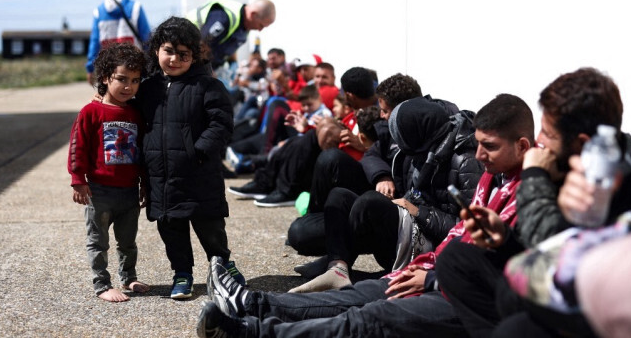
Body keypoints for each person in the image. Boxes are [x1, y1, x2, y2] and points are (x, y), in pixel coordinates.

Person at [195, 93, 534, 338]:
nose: (479, 154)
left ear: (522, 146)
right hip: (438, 267)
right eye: (478, 144)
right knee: (360, 291)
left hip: (465, 293)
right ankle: (252, 304)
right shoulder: (491, 175)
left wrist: (431, 272)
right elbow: (462, 234)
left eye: (488, 146)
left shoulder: (523, 189)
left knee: (371, 317)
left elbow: (514, 271)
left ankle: (249, 331)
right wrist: (383, 180)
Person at [435, 67, 631, 338]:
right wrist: (503, 237)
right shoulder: (570, 165)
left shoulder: (617, 182)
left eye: (548, 134)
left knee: (514, 328)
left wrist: (533, 175)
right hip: (555, 282)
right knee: (456, 259)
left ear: (581, 143)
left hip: (591, 304)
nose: (539, 141)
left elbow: (551, 246)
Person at [289, 95, 483, 293]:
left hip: (425, 240)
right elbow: (377, 157)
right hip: (405, 221)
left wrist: (416, 210)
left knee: (368, 203)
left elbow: (468, 228)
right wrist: (385, 180)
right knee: (339, 197)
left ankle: (344, 257)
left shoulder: (465, 162)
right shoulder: (421, 149)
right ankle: (337, 267)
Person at [288, 73, 458, 270]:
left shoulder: (435, 131)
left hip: (399, 216)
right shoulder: (389, 127)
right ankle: (335, 259)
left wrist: (414, 209)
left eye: (385, 111)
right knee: (330, 162)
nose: (381, 115)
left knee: (304, 234)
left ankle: (338, 258)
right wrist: (382, 176)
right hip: (382, 197)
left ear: (404, 110)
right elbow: (372, 155)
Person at [133, 16, 243, 300]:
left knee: (210, 226)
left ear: (194, 56)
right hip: (162, 177)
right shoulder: (147, 89)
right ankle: (182, 273)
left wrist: (201, 150)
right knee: (171, 229)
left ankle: (222, 263)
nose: (174, 59)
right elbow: (132, 117)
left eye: (183, 54)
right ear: (157, 49)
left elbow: (221, 123)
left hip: (199, 173)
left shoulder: (208, 86)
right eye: (168, 51)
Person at [228, 67, 378, 208]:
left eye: (323, 76)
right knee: (302, 138)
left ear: (349, 95)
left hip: (349, 173)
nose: (319, 80)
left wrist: (364, 146)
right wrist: (306, 127)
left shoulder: (375, 116)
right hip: (333, 161)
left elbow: (383, 149)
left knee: (305, 128)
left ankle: (284, 189)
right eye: (317, 76)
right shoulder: (356, 113)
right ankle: (265, 183)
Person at [68, 43, 149, 302]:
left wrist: (144, 184)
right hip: (99, 190)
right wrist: (78, 180)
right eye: (121, 79)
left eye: (135, 81)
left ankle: (128, 277)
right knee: (98, 242)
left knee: (128, 242)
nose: (129, 86)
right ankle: (102, 285)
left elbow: (143, 152)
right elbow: (77, 147)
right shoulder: (91, 111)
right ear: (104, 77)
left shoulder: (137, 113)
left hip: (128, 191)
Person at [86, 0, 150, 85]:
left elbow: (94, 42)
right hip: (133, 70)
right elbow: (147, 39)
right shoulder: (135, 8)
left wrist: (90, 68)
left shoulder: (99, 11)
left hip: (109, 70)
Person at [187, 0, 276, 70]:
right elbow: (202, 45)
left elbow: (230, 45)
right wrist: (208, 72)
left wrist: (233, 64)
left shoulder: (245, 26)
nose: (260, 30)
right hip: (187, 61)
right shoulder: (224, 17)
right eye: (261, 25)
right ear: (253, 15)